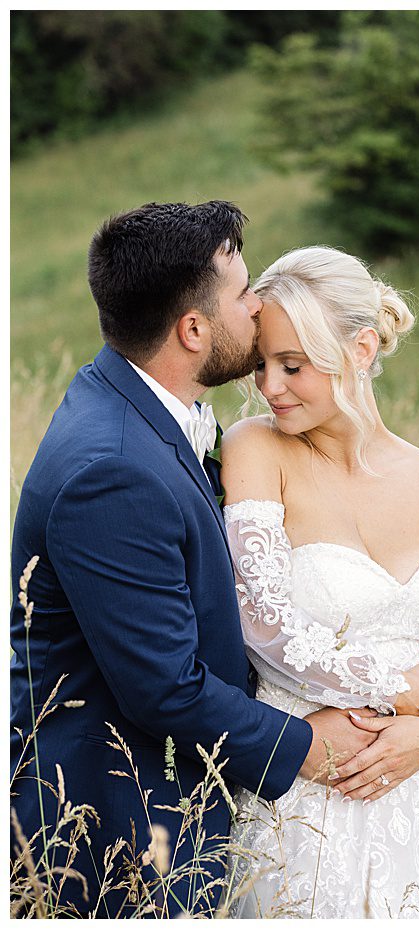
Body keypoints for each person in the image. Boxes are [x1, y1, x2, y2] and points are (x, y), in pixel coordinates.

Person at [9, 202, 380, 916]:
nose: (258, 304)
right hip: (112, 836)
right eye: (243, 293)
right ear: (192, 329)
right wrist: (305, 743)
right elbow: (165, 687)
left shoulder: (145, 417)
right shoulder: (112, 468)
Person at [219, 246, 419, 917]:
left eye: (292, 365)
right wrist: (400, 690)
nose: (270, 386)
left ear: (360, 349)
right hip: (307, 788)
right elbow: (267, 626)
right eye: (263, 366)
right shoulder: (254, 449)